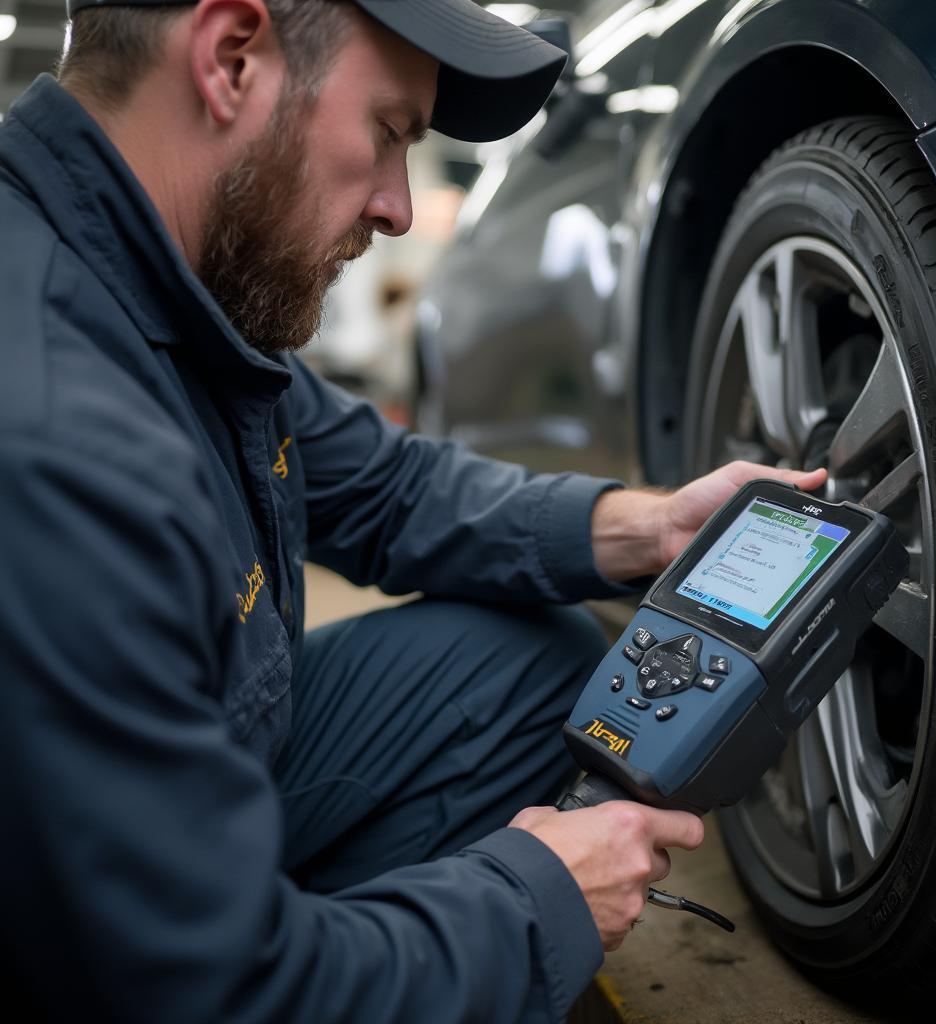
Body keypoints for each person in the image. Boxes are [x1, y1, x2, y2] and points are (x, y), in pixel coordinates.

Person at [0, 1, 827, 1020]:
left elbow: (388, 485)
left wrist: (648, 527)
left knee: (533, 671)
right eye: (389, 132)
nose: (397, 208)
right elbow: (208, 991)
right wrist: (533, 902)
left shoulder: (158, 292)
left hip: (190, 779)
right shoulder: (52, 439)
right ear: (231, 58)